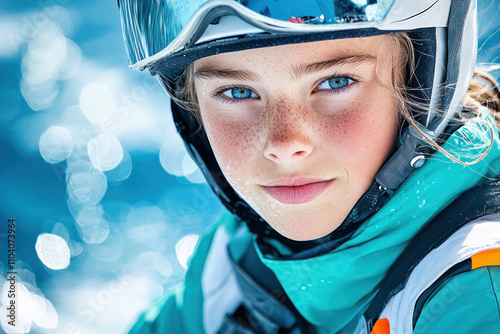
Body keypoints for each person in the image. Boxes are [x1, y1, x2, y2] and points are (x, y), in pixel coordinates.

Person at [117, 0, 500, 333]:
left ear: (420, 84)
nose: (284, 146)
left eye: (335, 82)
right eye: (238, 92)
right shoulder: (242, 259)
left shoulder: (480, 299)